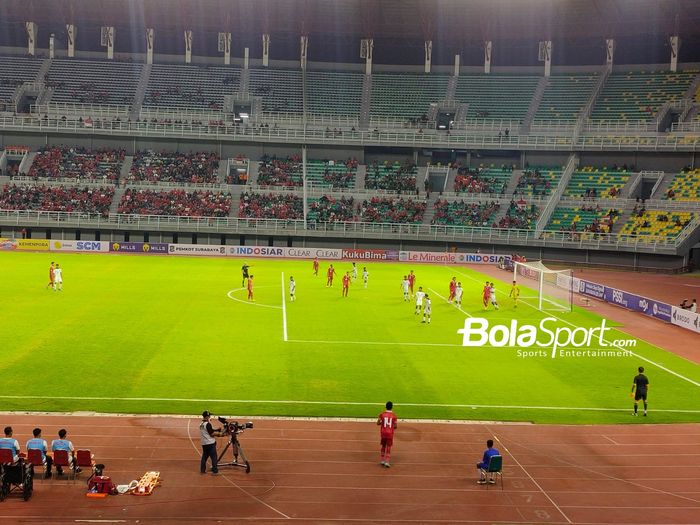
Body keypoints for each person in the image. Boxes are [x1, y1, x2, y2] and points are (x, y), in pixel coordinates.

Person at [376, 401, 397, 468]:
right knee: (388, 447)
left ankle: (382, 460)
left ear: (385, 406)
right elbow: (395, 426)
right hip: (390, 433)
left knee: (383, 446)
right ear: (392, 407)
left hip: (383, 432)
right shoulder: (394, 416)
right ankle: (387, 462)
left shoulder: (382, 414)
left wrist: (382, 422)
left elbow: (378, 423)